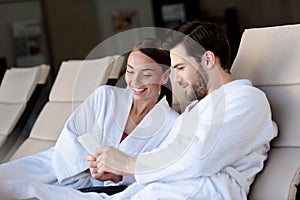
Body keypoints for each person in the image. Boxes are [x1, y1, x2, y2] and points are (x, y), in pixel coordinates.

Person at [0, 20, 278, 200]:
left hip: (197, 193)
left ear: (207, 59)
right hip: (155, 190)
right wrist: (121, 174)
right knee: (27, 190)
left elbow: (198, 160)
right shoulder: (196, 111)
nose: (178, 78)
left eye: (180, 67)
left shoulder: (245, 100)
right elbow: (163, 160)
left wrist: (128, 164)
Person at [0, 38, 179, 196]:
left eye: (146, 74)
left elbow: (158, 171)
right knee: (6, 179)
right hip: (60, 167)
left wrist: (119, 175)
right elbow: (71, 136)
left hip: (113, 191)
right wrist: (88, 168)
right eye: (130, 71)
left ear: (165, 76)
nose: (135, 81)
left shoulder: (171, 124)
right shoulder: (105, 96)